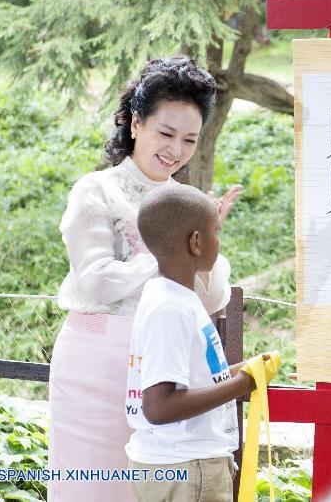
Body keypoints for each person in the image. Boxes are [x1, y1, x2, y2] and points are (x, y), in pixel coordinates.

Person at [48, 56, 242, 502]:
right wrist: (172, 252)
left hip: (169, 370)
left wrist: (204, 246)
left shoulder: (187, 202)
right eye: (166, 133)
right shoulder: (97, 190)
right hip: (95, 367)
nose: (176, 150)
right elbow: (95, 281)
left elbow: (210, 300)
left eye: (190, 139)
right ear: (136, 123)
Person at [126, 184, 276, 502]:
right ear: (196, 242)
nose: (218, 241)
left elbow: (194, 377)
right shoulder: (171, 308)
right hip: (188, 468)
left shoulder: (176, 298)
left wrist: (244, 370)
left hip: (182, 463)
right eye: (215, 231)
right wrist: (242, 384)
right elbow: (159, 405)